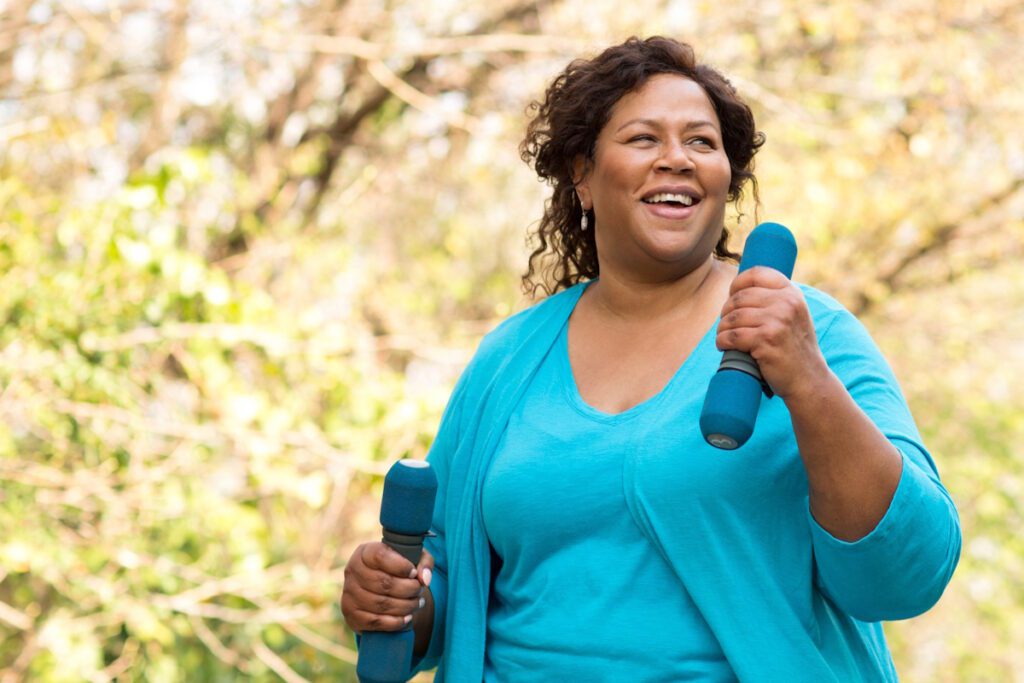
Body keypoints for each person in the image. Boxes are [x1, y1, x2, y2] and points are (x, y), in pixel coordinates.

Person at [341, 36, 961, 682]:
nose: (677, 159)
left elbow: (909, 570)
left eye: (701, 142)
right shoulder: (510, 357)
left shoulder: (811, 332)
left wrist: (807, 381)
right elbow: (447, 577)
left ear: (728, 179)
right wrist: (394, 601)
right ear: (581, 174)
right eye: (644, 139)